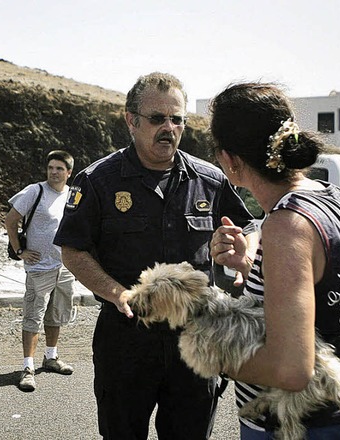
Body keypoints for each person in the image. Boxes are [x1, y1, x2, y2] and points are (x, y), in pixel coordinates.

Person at [53, 72, 258, 440]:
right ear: (131, 120)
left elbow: (249, 227)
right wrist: (116, 292)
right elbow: (73, 249)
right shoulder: (99, 181)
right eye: (157, 118)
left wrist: (245, 249)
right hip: (127, 337)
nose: (169, 127)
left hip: (194, 337)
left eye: (177, 119)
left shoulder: (209, 180)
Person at [208, 82, 340, 439]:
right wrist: (252, 262)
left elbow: (291, 370)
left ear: (229, 161)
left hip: (302, 429)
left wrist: (210, 353)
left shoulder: (286, 227)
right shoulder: (333, 197)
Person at [5, 150, 76, 392]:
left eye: (59, 169)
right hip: (38, 268)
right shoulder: (35, 191)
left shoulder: (72, 196)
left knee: (56, 314)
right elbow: (10, 219)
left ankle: (51, 357)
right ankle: (28, 368)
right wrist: (18, 251)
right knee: (33, 317)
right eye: (51, 168)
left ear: (69, 173)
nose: (54, 172)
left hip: (64, 267)